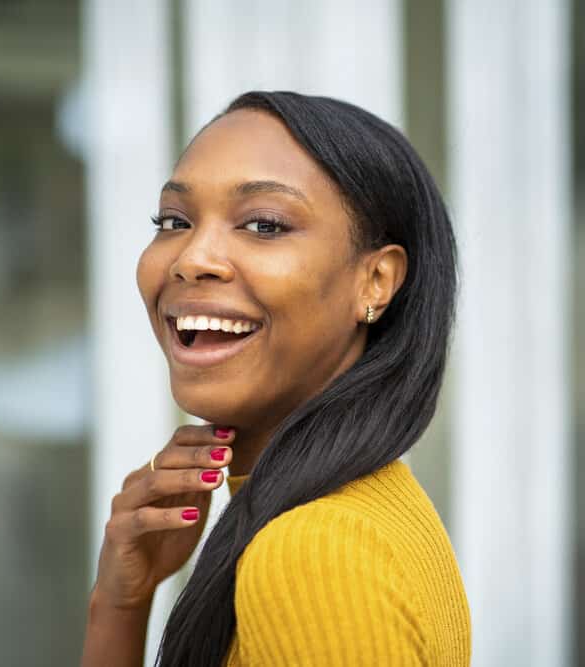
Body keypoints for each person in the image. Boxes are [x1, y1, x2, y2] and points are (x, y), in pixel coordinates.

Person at [80, 90, 470, 666]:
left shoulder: (315, 553)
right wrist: (120, 603)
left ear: (376, 281)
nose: (193, 258)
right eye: (174, 220)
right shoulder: (359, 511)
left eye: (264, 224)